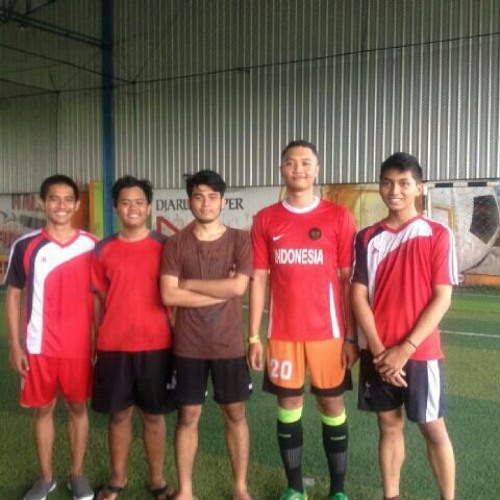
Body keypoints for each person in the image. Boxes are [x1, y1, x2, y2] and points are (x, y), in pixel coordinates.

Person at [248, 140, 358, 500]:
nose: (298, 169)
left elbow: (348, 280)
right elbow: (259, 278)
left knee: (332, 405)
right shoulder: (265, 218)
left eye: (306, 162)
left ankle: (338, 491)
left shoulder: (339, 216)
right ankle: (295, 488)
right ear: (282, 169)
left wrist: (351, 337)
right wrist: (253, 337)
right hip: (283, 334)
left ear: (317, 169)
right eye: (291, 163)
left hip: (329, 334)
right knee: (288, 406)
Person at [351, 152, 457, 500]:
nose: (394, 190)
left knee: (433, 429)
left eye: (403, 183)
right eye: (387, 183)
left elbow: (442, 297)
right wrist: (380, 351)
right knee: (389, 426)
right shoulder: (366, 237)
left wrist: (405, 349)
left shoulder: (437, 234)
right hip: (378, 352)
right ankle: (391, 495)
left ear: (418, 188)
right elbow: (358, 296)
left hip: (420, 353)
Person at [160, 170, 253, 500]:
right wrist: (221, 291)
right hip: (188, 346)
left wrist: (189, 284)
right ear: (190, 202)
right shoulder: (175, 244)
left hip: (229, 345)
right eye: (199, 196)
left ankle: (240, 487)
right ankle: (185, 490)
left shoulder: (240, 240)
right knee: (188, 416)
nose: (206, 203)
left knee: (235, 414)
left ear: (223, 202)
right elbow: (169, 295)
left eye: (213, 197)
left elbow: (238, 287)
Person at [5, 175, 96, 500]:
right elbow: (13, 295)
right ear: (42, 203)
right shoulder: (25, 246)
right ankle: (46, 478)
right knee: (42, 410)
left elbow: (100, 298)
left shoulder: (92, 245)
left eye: (68, 199)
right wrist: (15, 345)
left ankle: (77, 475)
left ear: (77, 204)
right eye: (54, 199)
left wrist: (99, 342)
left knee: (78, 409)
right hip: (37, 347)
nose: (61, 205)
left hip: (79, 348)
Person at [91, 176, 174, 500]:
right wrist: (97, 342)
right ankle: (117, 478)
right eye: (125, 203)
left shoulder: (166, 246)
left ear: (149, 207)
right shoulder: (102, 249)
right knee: (119, 414)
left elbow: (176, 296)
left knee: (153, 415)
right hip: (114, 347)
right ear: (116, 208)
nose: (133, 208)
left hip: (158, 345)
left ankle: (157, 479)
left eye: (139, 202)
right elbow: (100, 299)